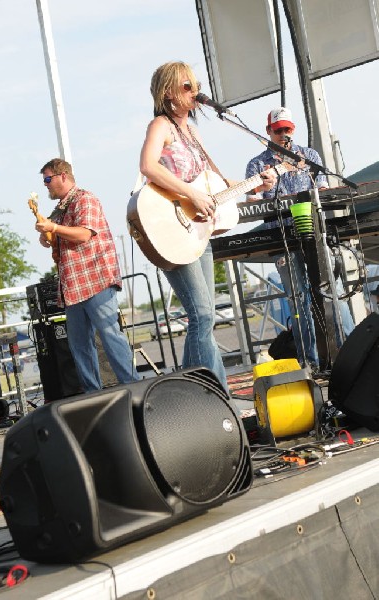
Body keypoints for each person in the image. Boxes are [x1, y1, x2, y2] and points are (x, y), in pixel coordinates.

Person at [139, 61, 274, 393]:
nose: (195, 91)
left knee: (205, 317)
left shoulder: (193, 133)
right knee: (202, 316)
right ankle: (214, 395)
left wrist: (255, 184)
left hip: (197, 232)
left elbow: (217, 181)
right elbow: (147, 166)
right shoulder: (161, 125)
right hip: (171, 226)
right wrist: (191, 194)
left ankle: (192, 393)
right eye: (187, 86)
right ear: (167, 92)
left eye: (196, 85)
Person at [246, 107, 354, 370]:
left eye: (288, 129)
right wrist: (263, 188)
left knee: (332, 290)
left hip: (315, 234)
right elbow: (250, 204)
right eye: (278, 129)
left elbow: (325, 192)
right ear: (268, 131)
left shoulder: (309, 156)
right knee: (298, 298)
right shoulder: (257, 164)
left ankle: (353, 355)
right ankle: (310, 363)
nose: (284, 134)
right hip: (282, 238)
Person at [35, 158, 140, 393]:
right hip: (73, 286)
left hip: (96, 279)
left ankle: (133, 386)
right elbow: (56, 240)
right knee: (79, 345)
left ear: (63, 175)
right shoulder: (59, 209)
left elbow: (83, 234)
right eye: (44, 181)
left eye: (48, 179)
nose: (46, 185)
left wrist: (53, 229)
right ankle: (93, 394)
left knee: (110, 335)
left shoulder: (85, 198)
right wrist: (47, 236)